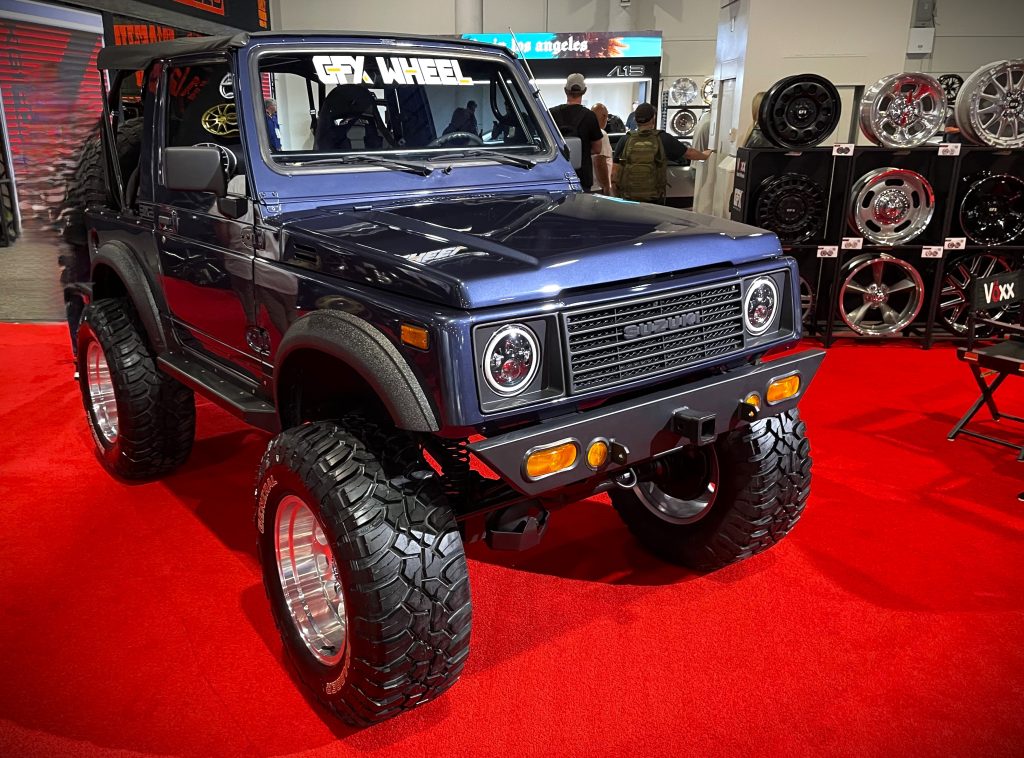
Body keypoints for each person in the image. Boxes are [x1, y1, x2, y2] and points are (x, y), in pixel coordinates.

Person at [612, 102, 712, 203]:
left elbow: (614, 174)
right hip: (654, 198)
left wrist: (618, 197)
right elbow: (689, 153)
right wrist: (705, 155)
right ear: (653, 118)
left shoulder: (625, 140)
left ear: (635, 119)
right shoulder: (662, 138)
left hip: (628, 199)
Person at [549, 74, 610, 194]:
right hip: (582, 176)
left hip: (558, 174)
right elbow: (598, 149)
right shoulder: (590, 116)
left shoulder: (551, 113)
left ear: (565, 90)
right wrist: (582, 150)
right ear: (584, 91)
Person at [590, 103, 613, 193]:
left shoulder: (585, 132)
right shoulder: (601, 134)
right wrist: (606, 186)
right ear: (604, 117)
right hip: (598, 187)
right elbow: (599, 162)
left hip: (587, 185)